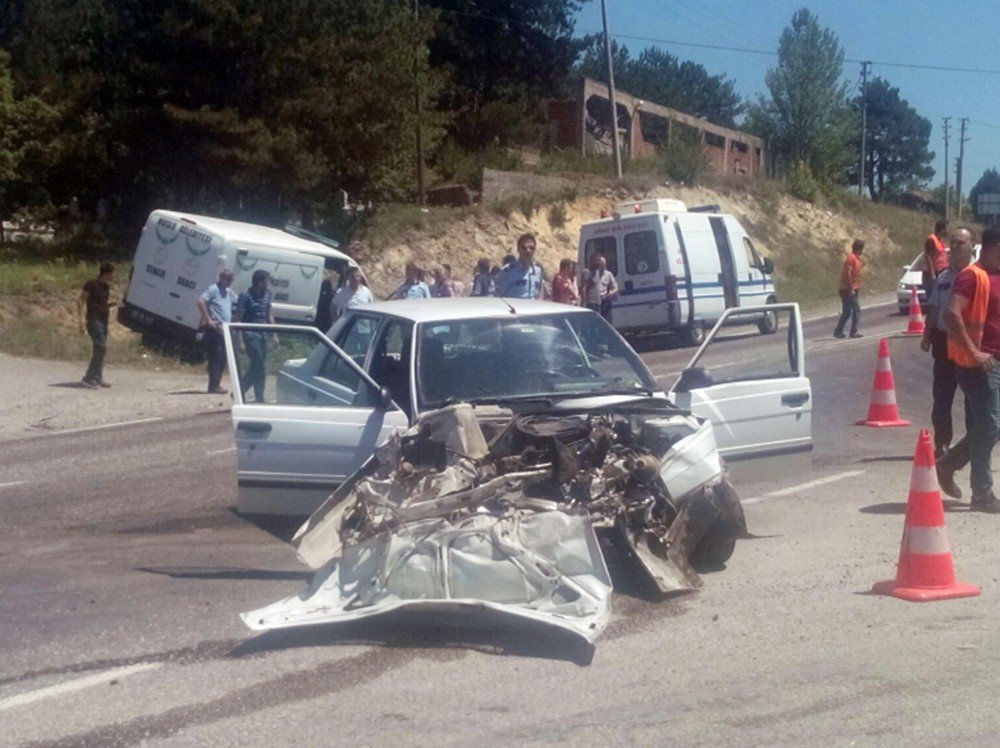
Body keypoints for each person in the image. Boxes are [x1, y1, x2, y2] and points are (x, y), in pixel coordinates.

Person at [938, 225, 1000, 512]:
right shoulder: (972, 276)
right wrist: (975, 352)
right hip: (977, 365)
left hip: (994, 362)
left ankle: (948, 464)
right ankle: (982, 492)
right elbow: (951, 312)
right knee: (990, 425)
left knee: (985, 427)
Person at [920, 228, 974, 462]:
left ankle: (974, 443)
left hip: (970, 343)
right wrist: (926, 335)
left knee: (973, 399)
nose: (956, 246)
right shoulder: (943, 277)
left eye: (961, 242)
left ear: (973, 245)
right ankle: (942, 444)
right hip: (943, 343)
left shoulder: (979, 275)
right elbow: (934, 308)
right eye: (953, 242)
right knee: (941, 398)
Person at [234, 269, 275, 403]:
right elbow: (238, 319)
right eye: (266, 281)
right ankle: (243, 391)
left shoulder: (267, 295)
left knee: (259, 366)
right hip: (249, 335)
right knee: (259, 365)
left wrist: (274, 333)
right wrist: (240, 341)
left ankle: (256, 396)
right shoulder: (245, 296)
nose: (268, 284)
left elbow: (269, 315)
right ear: (260, 282)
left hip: (262, 334)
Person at [196, 269, 236, 394]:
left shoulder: (228, 291)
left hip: (225, 330)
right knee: (216, 356)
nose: (230, 282)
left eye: (231, 279)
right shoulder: (214, 289)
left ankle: (217, 383)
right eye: (228, 279)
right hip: (214, 328)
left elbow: (237, 300)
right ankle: (213, 386)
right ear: (222, 278)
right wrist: (208, 319)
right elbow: (201, 301)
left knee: (223, 357)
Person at [77, 262, 116, 388]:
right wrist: (81, 320)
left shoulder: (106, 288)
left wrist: (113, 304)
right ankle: (88, 378)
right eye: (112, 273)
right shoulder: (91, 284)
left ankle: (98, 377)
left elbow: (102, 304)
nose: (113, 276)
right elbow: (80, 300)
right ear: (107, 273)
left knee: (101, 349)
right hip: (94, 320)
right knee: (100, 347)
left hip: (103, 320)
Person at [495, 233, 547, 299]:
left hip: (533, 308)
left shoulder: (538, 271)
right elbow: (498, 294)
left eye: (532, 248)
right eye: (524, 248)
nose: (528, 250)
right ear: (518, 249)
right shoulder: (508, 271)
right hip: (515, 308)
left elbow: (540, 290)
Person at [833, 239, 864, 339]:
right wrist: (851, 287)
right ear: (859, 248)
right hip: (847, 289)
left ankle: (838, 331)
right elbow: (848, 273)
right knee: (856, 309)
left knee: (847, 312)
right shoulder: (851, 258)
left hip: (851, 288)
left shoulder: (856, 258)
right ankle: (853, 331)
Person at [580, 251, 618, 321]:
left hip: (599, 302)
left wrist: (611, 293)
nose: (598, 263)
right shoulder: (587, 272)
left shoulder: (599, 272)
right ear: (591, 261)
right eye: (596, 261)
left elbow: (615, 287)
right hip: (590, 303)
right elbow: (583, 288)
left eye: (599, 262)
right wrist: (584, 303)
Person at [922, 219, 950, 296]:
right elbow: (928, 256)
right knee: (932, 297)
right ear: (942, 229)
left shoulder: (940, 241)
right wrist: (932, 274)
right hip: (932, 273)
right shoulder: (931, 240)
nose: (948, 230)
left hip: (940, 272)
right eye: (947, 228)